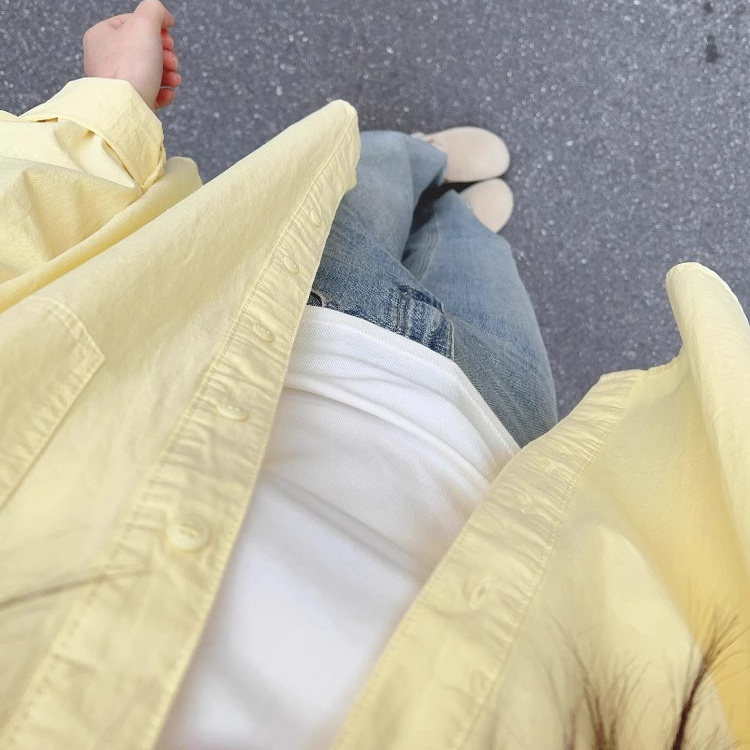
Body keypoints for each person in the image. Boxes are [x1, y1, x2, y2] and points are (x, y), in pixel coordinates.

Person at [1, 2, 749, 748]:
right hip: (500, 455)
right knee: (478, 254)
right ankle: (451, 213)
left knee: (373, 174)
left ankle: (422, 160)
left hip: (294, 320)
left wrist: (104, 113)